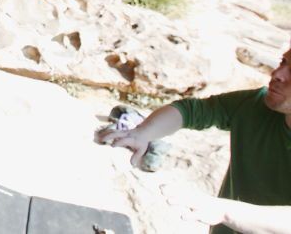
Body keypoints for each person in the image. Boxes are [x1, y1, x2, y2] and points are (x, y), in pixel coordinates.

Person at [98, 42, 291, 234]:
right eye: (283, 62)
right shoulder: (255, 105)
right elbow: (192, 111)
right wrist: (142, 133)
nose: (277, 74)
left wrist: (226, 212)